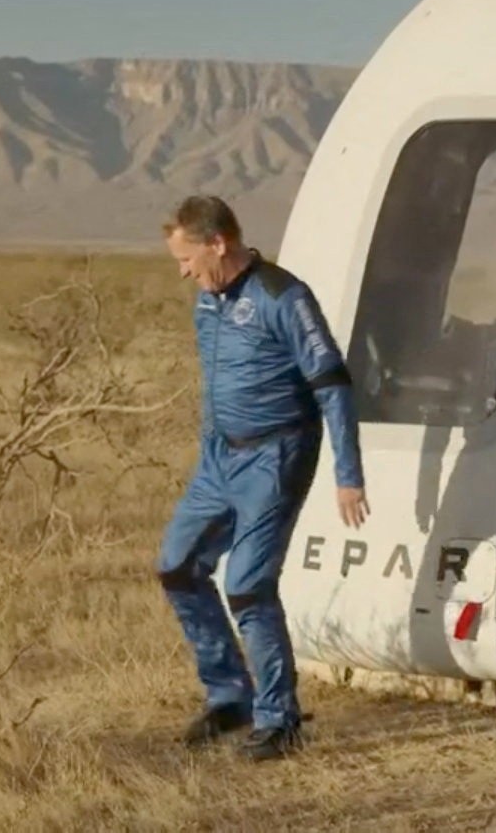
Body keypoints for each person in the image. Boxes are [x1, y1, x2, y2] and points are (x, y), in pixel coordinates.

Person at [156, 195, 368, 760]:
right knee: (178, 566)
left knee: (247, 584)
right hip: (218, 459)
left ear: (217, 243)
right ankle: (230, 695)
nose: (183, 272)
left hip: (275, 457)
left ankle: (279, 720)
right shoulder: (208, 303)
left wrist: (348, 474)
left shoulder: (283, 297)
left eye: (187, 259)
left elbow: (333, 386)